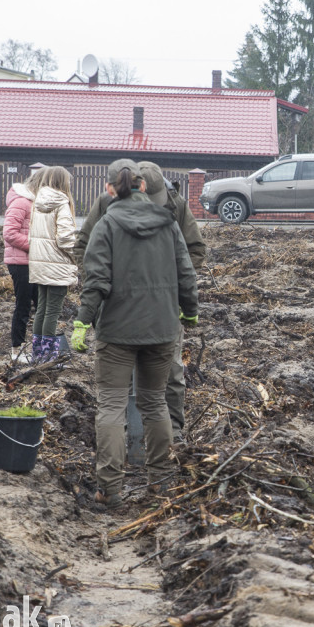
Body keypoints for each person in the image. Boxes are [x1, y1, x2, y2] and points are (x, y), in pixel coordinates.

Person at [71, 159, 199, 509]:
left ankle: (109, 491)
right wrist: (190, 312)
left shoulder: (107, 224)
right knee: (155, 402)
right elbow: (186, 273)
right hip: (162, 329)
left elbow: (95, 280)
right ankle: (161, 483)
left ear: (111, 190)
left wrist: (83, 321)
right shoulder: (169, 223)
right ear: (144, 187)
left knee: (111, 406)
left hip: (117, 333)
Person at [28, 166, 77, 362]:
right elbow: (65, 239)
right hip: (57, 266)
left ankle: (37, 355)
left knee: (41, 309)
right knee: (52, 312)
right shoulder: (61, 204)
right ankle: (48, 358)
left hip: (40, 265)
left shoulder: (37, 202)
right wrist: (77, 253)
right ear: (62, 182)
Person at [2, 169, 41, 363]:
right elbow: (9, 233)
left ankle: (38, 348)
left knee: (41, 305)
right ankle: (16, 351)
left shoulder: (34, 203)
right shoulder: (21, 202)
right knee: (23, 306)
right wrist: (35, 246)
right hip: (21, 263)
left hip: (33, 262)